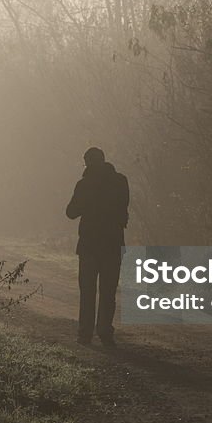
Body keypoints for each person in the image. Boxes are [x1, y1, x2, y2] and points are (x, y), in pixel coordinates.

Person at [66, 147, 129, 347]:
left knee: (88, 291)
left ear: (88, 163)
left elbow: (71, 212)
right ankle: (105, 332)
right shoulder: (121, 182)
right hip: (112, 244)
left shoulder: (84, 185)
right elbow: (123, 208)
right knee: (108, 291)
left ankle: (85, 334)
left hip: (89, 245)